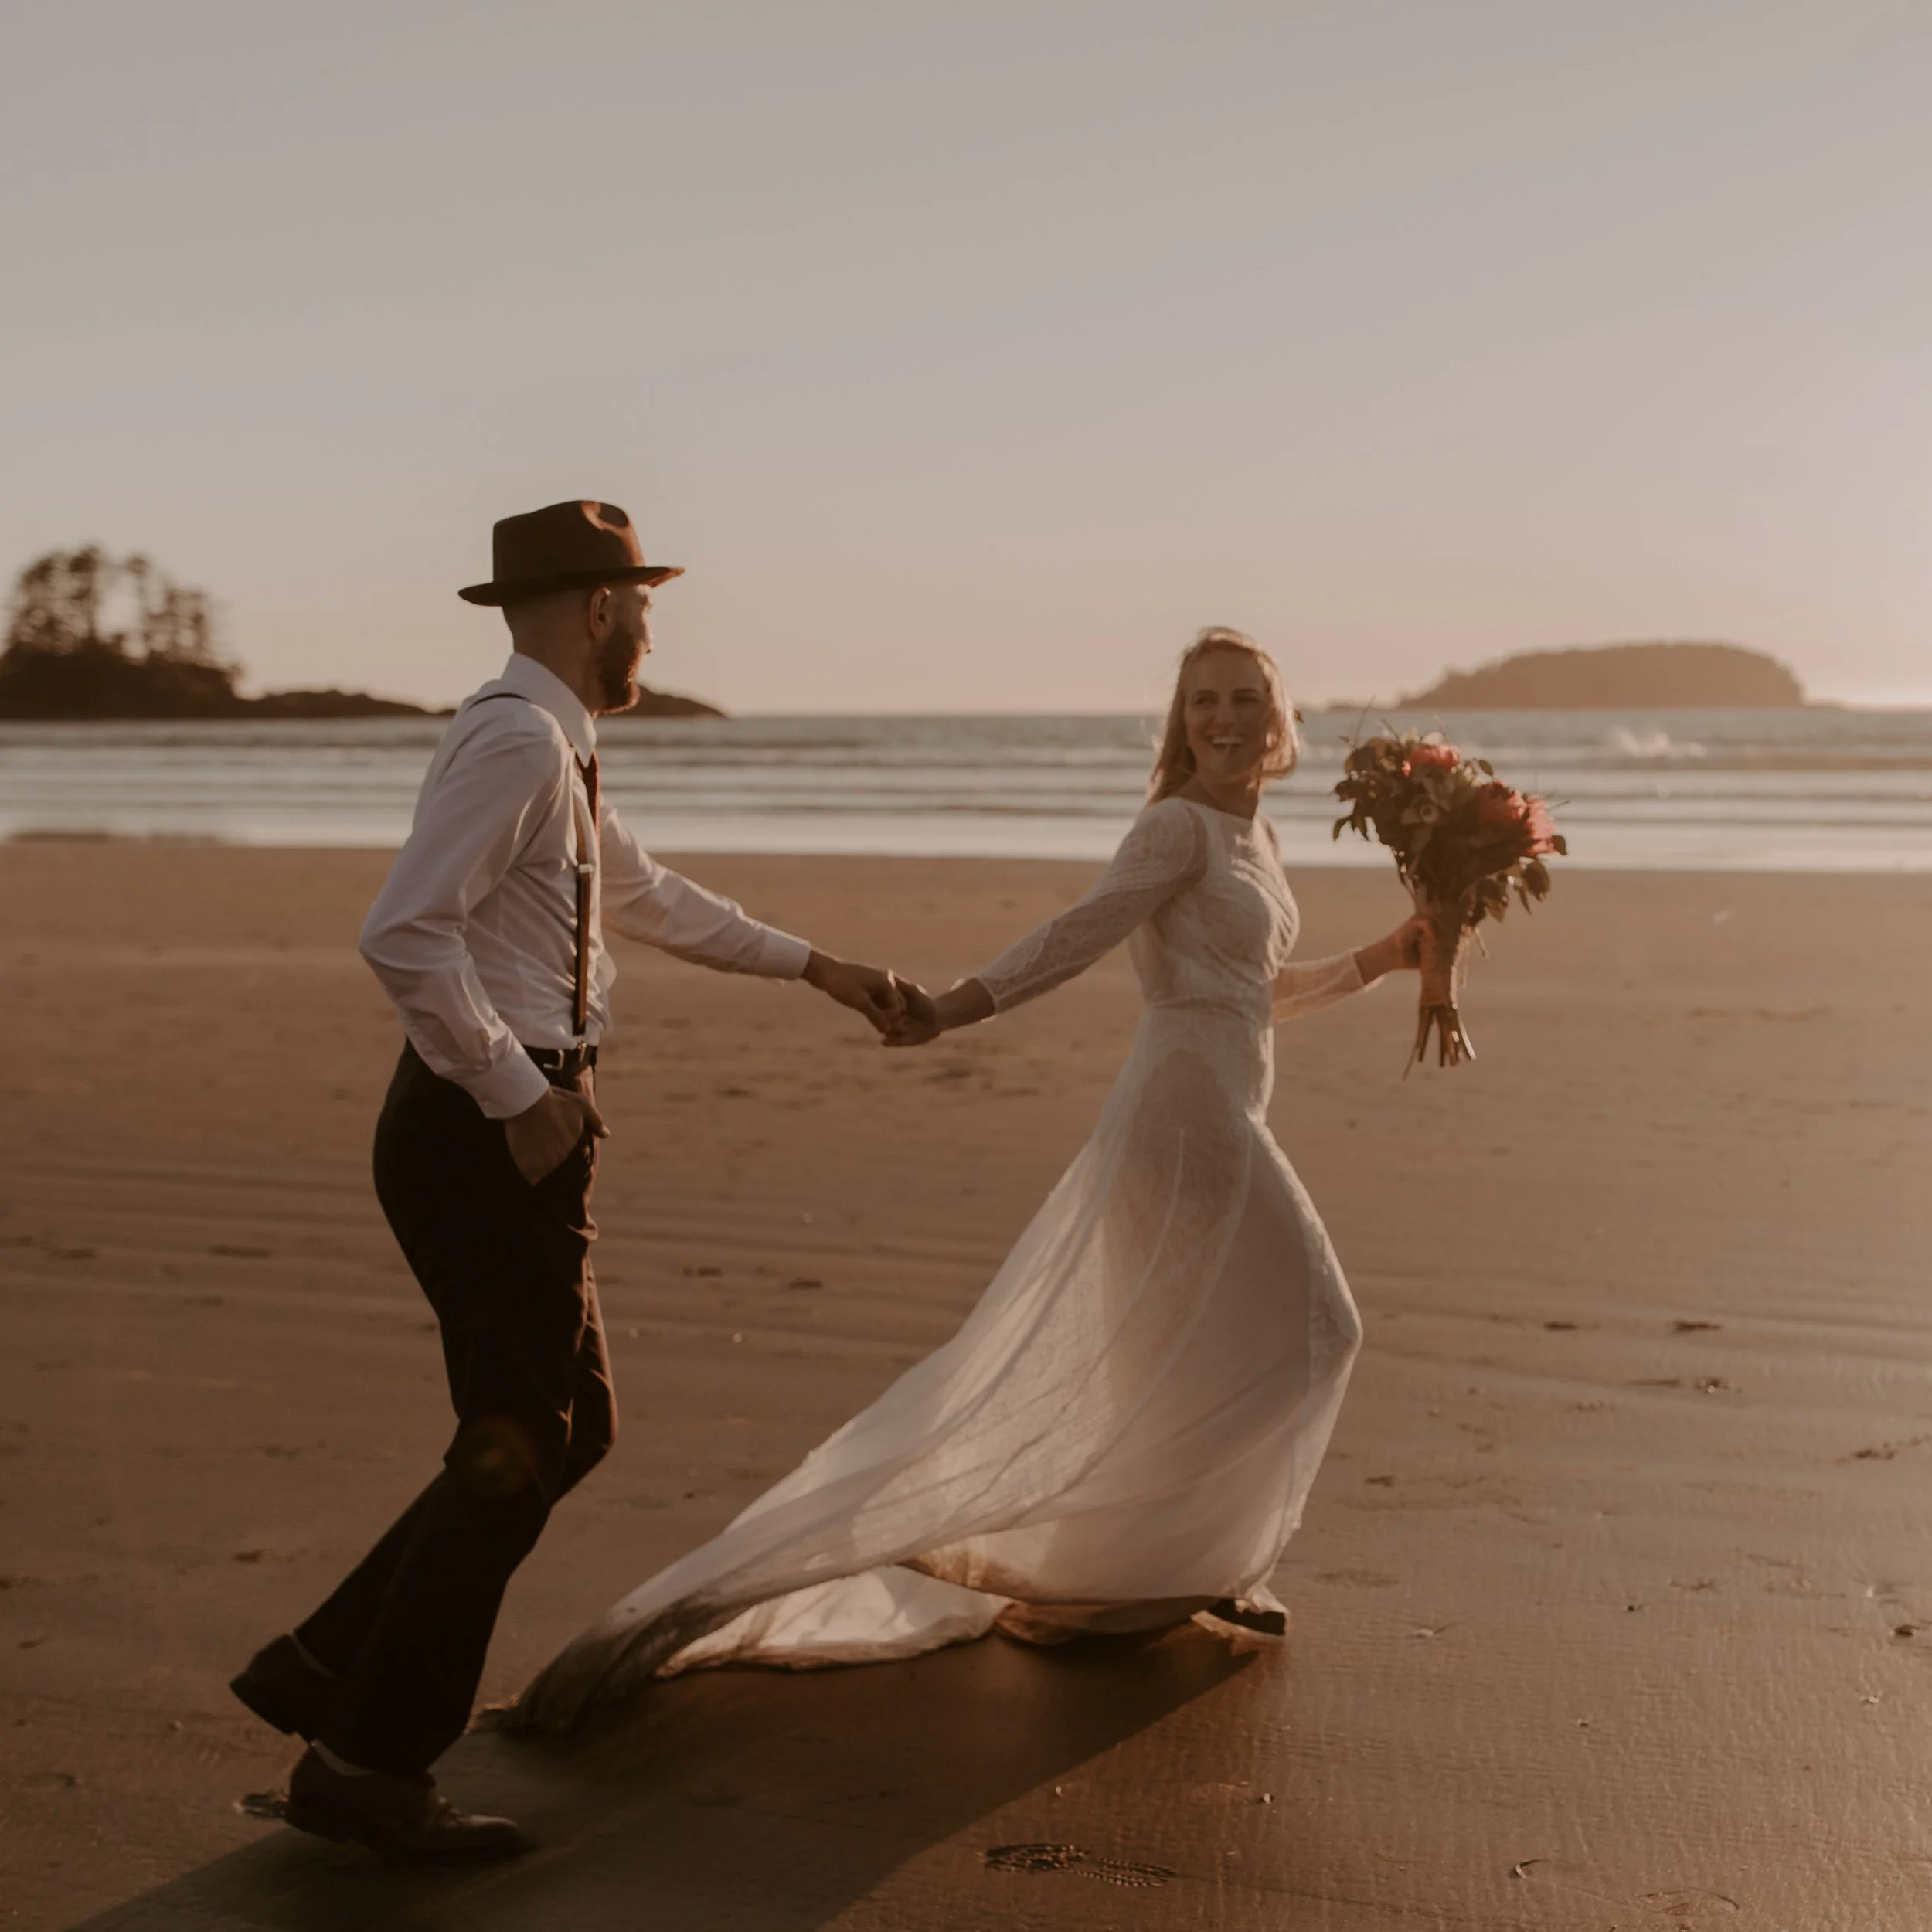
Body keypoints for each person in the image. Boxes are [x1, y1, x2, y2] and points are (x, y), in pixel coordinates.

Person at [508, 626, 1425, 1732]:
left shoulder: (1256, 835)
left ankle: (1164, 1569)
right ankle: (1184, 1557)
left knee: (1201, 1350)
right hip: (1186, 1120)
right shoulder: (1177, 827)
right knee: (1320, 1326)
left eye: (1242, 701)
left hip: (1224, 1099)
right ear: (1179, 724)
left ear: (1283, 722)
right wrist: (952, 1005)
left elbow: (1253, 991)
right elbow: (1076, 936)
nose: (1223, 719)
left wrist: (1382, 959)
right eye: (1202, 704)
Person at [227, 501, 909, 1862]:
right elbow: (401, 933)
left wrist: (819, 967)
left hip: (514, 1120)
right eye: (644, 599)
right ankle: (365, 1758)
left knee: (562, 1427)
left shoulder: (554, 744)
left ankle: (328, 1675)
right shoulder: (519, 739)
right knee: (522, 1441)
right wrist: (518, 1093)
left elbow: (641, 894)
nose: (652, 623)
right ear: (600, 607)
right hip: (489, 1127)